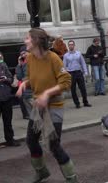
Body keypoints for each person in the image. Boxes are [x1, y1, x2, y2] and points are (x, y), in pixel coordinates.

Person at [16, 28, 78, 183]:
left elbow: (66, 81)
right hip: (38, 108)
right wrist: (24, 84)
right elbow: (32, 78)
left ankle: (72, 178)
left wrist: (47, 94)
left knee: (53, 145)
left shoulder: (53, 58)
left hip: (54, 107)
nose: (25, 41)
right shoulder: (30, 58)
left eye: (27, 38)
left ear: (36, 41)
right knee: (31, 140)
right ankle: (41, 171)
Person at [63, 40, 91, 108]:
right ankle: (77, 103)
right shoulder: (66, 55)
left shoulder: (78, 53)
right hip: (71, 73)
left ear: (74, 45)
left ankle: (85, 102)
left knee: (83, 88)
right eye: (69, 45)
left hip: (79, 72)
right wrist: (65, 75)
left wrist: (86, 72)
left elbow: (83, 63)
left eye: (72, 44)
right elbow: (64, 66)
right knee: (73, 89)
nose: (71, 46)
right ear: (68, 46)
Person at [15, 46, 30, 119]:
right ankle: (26, 114)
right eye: (21, 54)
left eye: (24, 53)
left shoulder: (32, 61)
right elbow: (19, 77)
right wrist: (19, 65)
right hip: (24, 87)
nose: (23, 55)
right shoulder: (22, 64)